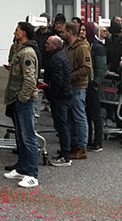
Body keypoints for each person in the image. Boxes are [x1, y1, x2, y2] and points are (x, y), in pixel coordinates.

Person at [2, 22, 40, 188]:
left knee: (28, 136)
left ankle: (32, 174)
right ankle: (22, 169)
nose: (14, 32)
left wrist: (23, 97)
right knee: (21, 136)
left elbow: (30, 79)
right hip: (17, 99)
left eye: (17, 30)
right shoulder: (20, 50)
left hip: (23, 100)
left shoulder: (27, 53)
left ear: (24, 33)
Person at [60, 22, 91, 159]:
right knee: (71, 117)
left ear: (70, 32)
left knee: (79, 117)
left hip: (78, 86)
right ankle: (73, 144)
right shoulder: (67, 46)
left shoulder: (82, 47)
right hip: (69, 86)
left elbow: (86, 68)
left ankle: (81, 147)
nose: (60, 34)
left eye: (63, 32)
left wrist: (69, 77)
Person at [43, 36, 72, 166]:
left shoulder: (56, 59)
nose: (45, 45)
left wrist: (51, 95)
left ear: (54, 45)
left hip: (60, 97)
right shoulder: (58, 56)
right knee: (61, 125)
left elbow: (57, 81)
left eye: (48, 43)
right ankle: (64, 151)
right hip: (62, 95)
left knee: (62, 125)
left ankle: (66, 156)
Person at [83, 22, 107, 152]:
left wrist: (96, 83)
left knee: (96, 114)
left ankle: (98, 141)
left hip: (93, 85)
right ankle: (88, 139)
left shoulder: (97, 47)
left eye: (84, 30)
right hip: (86, 84)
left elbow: (101, 67)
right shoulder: (86, 45)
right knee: (87, 114)